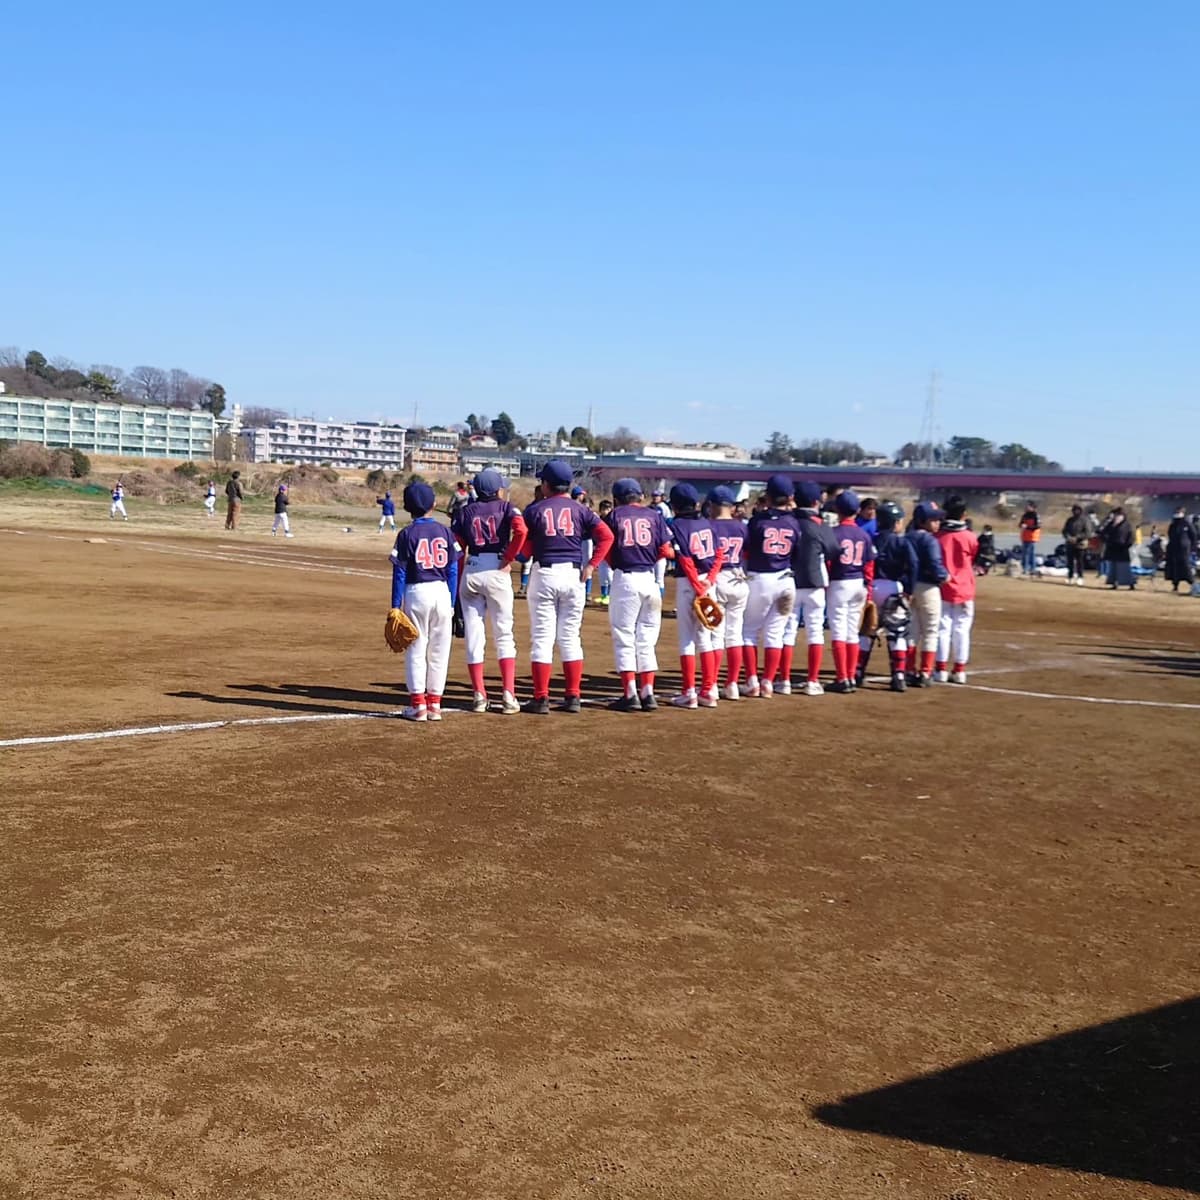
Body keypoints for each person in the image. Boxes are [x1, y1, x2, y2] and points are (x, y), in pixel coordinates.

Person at [518, 461, 614, 714]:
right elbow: (607, 536)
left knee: (542, 638)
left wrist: (514, 554)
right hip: (574, 575)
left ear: (547, 484)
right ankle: (573, 696)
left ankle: (541, 698)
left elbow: (525, 550)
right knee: (570, 637)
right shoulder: (581, 509)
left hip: (545, 574)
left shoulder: (535, 510)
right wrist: (592, 564)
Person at [451, 469, 527, 715]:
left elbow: (457, 548)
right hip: (497, 568)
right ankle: (508, 694)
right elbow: (522, 531)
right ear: (497, 490)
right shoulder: (506, 507)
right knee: (504, 634)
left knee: (475, 635)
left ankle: (479, 695)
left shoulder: (465, 511)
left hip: (472, 569)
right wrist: (509, 558)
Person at [390, 483, 458, 722]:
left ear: (407, 508)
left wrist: (395, 605)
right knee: (440, 651)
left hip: (416, 591)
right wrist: (452, 600)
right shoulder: (445, 531)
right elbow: (453, 568)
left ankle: (418, 705)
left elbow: (399, 572)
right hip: (441, 593)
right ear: (434, 504)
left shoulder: (406, 534)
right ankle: (435, 705)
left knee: (417, 650)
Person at [605, 478, 674, 711]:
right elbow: (666, 550)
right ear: (639, 496)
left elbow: (605, 549)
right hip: (649, 579)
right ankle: (648, 693)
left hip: (626, 578)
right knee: (647, 640)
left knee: (624, 636)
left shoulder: (614, 515)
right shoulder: (655, 515)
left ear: (617, 498)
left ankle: (630, 694)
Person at [741, 474, 804, 697]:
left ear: (767, 496)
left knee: (748, 631)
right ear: (789, 497)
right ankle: (768, 682)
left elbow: (747, 550)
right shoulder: (794, 522)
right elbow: (798, 554)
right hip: (786, 579)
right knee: (775, 634)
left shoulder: (757, 520)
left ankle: (752, 682)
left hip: (761, 578)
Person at [667, 483, 724, 709]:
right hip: (709, 581)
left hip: (689, 584)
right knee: (705, 638)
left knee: (687, 639)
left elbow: (685, 559)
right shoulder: (706, 523)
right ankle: (708, 690)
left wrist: (697, 586)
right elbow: (720, 554)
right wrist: (709, 580)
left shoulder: (678, 525)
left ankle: (689, 692)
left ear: (674, 506)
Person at [855, 501, 918, 692]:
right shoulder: (902, 541)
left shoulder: (869, 539)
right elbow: (914, 564)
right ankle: (898, 675)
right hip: (893, 587)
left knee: (867, 630)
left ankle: (858, 672)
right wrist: (910, 589)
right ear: (896, 522)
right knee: (896, 631)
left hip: (872, 587)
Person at [787, 480, 840, 695]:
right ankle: (812, 680)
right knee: (815, 631)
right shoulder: (820, 524)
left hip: (790, 581)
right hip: (816, 581)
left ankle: (783, 680)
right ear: (816, 501)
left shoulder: (788, 521)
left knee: (787, 631)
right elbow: (834, 550)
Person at [826, 490, 876, 694]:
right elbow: (870, 564)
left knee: (838, 631)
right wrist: (869, 588)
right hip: (858, 584)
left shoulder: (834, 533)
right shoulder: (864, 534)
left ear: (838, 510)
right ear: (857, 510)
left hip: (840, 583)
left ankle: (842, 677)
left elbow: (828, 563)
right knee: (852, 632)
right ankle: (851, 676)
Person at [706, 486, 750, 701]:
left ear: (712, 505)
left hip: (718, 578)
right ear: (732, 506)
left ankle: (712, 685)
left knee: (716, 635)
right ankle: (731, 684)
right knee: (735, 634)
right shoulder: (742, 527)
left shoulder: (709, 525)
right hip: (739, 577)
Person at [935, 496, 979, 684]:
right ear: (964, 515)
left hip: (943, 587)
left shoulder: (938, 537)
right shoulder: (970, 537)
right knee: (961, 629)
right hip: (965, 588)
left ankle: (941, 669)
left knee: (942, 628)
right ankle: (959, 670)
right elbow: (975, 555)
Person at [905, 502, 949, 686]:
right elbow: (935, 565)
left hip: (909, 586)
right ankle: (925, 672)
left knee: (912, 630)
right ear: (923, 521)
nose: (938, 522)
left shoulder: (907, 537)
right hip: (928, 587)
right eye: (934, 519)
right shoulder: (930, 540)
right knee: (931, 630)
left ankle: (908, 669)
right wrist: (945, 576)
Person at [649, 486, 672, 601]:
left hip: (662, 541)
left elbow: (669, 522)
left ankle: (659, 599)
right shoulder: (650, 507)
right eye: (654, 496)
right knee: (652, 578)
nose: (655, 498)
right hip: (652, 543)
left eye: (657, 496)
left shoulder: (663, 507)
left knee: (659, 578)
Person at [1165, 506, 1197, 592]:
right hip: (1174, 548)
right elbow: (1170, 535)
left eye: (1179, 512)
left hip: (1184, 549)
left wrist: (1192, 547)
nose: (1177, 514)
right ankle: (1175, 585)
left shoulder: (1187, 524)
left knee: (1185, 565)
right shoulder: (1173, 525)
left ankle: (1192, 583)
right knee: (1175, 567)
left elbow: (1193, 535)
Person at [1102, 507, 1135, 589]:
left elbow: (1131, 537)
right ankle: (1114, 582)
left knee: (1124, 567)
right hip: (1113, 548)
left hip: (1122, 549)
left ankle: (1130, 584)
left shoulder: (1127, 525)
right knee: (1113, 568)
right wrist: (1107, 540)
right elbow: (1103, 533)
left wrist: (1127, 545)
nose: (1116, 517)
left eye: (1118, 515)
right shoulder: (1111, 524)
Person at [1061, 505, 1090, 586]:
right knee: (1070, 561)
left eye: (1077, 510)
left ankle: (1080, 577)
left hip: (1081, 544)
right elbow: (1064, 531)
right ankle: (1070, 577)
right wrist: (1068, 537)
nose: (1075, 512)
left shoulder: (1085, 520)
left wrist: (1077, 538)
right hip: (1070, 544)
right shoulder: (1069, 520)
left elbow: (1088, 533)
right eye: (1074, 510)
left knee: (1080, 561)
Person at [595, 499, 614, 605]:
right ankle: (604, 595)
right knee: (602, 575)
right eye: (603, 509)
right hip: (600, 549)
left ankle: (611, 596)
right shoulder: (599, 520)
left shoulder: (613, 520)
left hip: (610, 550)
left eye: (607, 508)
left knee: (609, 574)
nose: (605, 511)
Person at [1018, 501, 1041, 575]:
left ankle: (1027, 568)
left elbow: (1037, 526)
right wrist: (1021, 525)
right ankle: (1031, 568)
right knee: (1028, 553)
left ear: (1033, 507)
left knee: (1028, 553)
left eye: (1029, 506)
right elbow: (1020, 524)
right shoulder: (1025, 515)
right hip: (1025, 536)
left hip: (1032, 537)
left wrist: (1027, 527)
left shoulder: (1036, 515)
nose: (1027, 507)